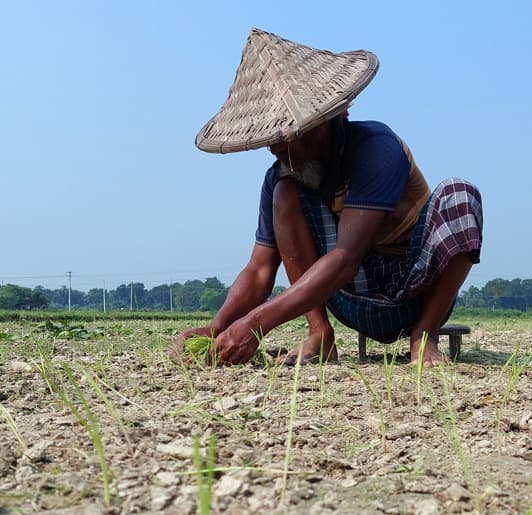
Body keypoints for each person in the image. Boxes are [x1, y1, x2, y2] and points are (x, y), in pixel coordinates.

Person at [173, 28, 483, 367]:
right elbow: (260, 269)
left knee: (460, 194)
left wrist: (256, 324)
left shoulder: (376, 149)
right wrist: (218, 326)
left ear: (335, 118)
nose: (279, 149)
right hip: (351, 295)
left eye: (293, 135)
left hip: (416, 286)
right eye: (272, 140)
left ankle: (423, 338)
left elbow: (345, 257)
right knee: (285, 192)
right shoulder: (283, 172)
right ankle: (320, 334)